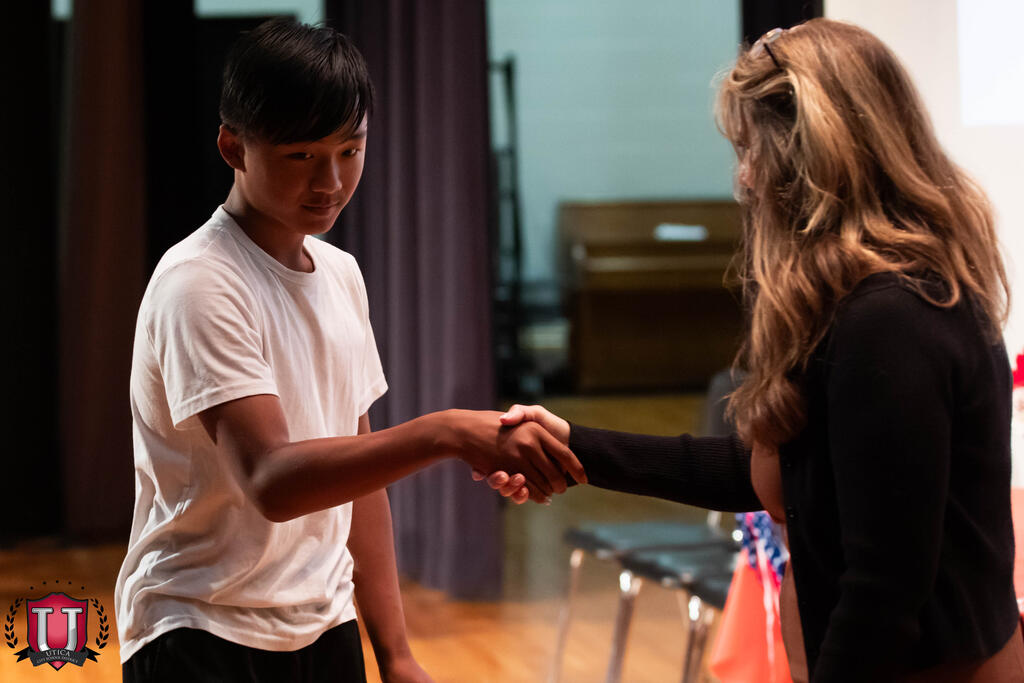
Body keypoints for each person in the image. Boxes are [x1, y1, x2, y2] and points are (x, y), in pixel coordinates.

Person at [480, 18, 1024, 682]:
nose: (743, 179)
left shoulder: (891, 320)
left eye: (750, 149)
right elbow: (771, 470)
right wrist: (574, 447)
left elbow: (883, 595)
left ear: (816, 158)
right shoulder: (866, 300)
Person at [115, 18, 583, 683]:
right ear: (233, 147)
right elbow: (274, 481)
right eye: (301, 156)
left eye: (349, 150)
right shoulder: (200, 281)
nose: (330, 181)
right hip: (200, 626)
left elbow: (360, 483)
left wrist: (395, 652)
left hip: (324, 621)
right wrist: (447, 432)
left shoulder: (340, 273)